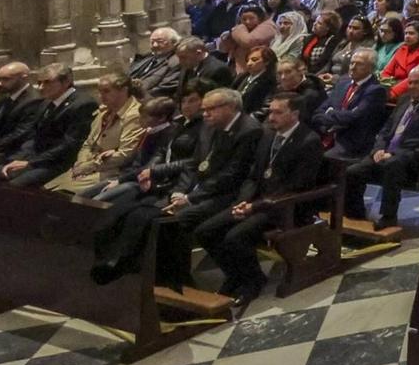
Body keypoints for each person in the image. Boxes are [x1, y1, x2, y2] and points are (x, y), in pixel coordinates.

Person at [94, 87, 262, 289]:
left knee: (169, 223)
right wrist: (180, 191)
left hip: (227, 194)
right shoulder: (210, 127)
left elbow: (232, 175)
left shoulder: (249, 130)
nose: (205, 114)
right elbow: (194, 164)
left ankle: (177, 282)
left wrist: (191, 198)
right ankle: (133, 268)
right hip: (198, 188)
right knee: (136, 212)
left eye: (211, 109)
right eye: (204, 109)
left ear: (231, 107)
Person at [193, 93, 325, 305]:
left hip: (286, 208)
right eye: (270, 111)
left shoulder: (308, 141)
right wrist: (243, 202)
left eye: (278, 112)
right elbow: (254, 175)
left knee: (235, 236)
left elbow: (298, 186)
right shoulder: (268, 135)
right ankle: (235, 275)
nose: (271, 117)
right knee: (204, 231)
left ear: (295, 114)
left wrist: (254, 206)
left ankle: (252, 282)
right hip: (256, 203)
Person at [341, 65, 419, 226]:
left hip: (416, 157)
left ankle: (388, 216)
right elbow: (386, 129)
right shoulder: (404, 99)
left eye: (418, 83)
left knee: (392, 166)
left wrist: (394, 153)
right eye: (410, 82)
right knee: (353, 171)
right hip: (386, 152)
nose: (412, 87)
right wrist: (378, 149)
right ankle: (354, 212)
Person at [45, 73, 144, 197]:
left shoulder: (135, 115)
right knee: (46, 191)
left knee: (62, 196)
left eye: (106, 91)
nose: (101, 96)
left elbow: (125, 154)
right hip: (86, 167)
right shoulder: (104, 112)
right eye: (100, 92)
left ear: (124, 90)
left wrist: (89, 166)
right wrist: (81, 163)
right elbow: (88, 144)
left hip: (110, 171)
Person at [0, 65, 94, 187]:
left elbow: (70, 144)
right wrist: (21, 158)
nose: (41, 87)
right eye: (39, 82)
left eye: (47, 82)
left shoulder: (83, 104)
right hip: (38, 158)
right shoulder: (47, 102)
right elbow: (34, 135)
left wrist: (30, 163)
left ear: (66, 82)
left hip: (60, 162)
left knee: (15, 185)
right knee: (0, 172)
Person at [314, 49, 391, 160]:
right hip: (327, 134)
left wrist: (330, 113)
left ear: (371, 68)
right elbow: (318, 112)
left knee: (322, 159)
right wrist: (331, 119)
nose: (353, 67)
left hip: (351, 142)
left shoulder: (376, 90)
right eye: (352, 63)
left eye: (359, 64)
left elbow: (354, 117)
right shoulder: (343, 82)